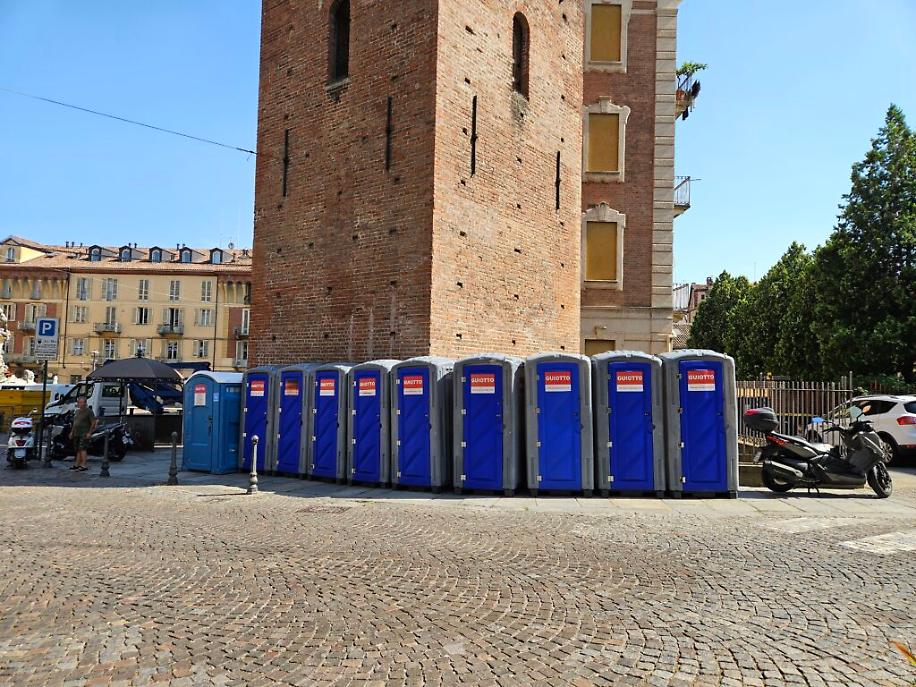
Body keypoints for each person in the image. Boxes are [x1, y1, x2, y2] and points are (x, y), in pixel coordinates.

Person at [70, 396, 96, 471]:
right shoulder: (77, 411)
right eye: (79, 402)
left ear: (85, 403)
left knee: (83, 449)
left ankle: (84, 465)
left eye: (82, 402)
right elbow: (75, 423)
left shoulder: (89, 411)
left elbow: (93, 422)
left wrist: (89, 432)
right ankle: (77, 464)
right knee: (78, 449)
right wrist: (72, 432)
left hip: (84, 433)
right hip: (77, 433)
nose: (80, 404)